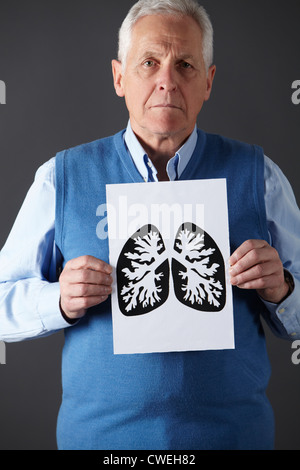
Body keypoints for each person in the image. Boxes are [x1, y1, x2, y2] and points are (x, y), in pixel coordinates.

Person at [0, 0, 299, 450]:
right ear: (120, 77)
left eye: (185, 65)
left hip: (233, 440)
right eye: (150, 62)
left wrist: (284, 290)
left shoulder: (259, 176)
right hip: (100, 444)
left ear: (208, 82)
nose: (167, 81)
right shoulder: (61, 178)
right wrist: (56, 299)